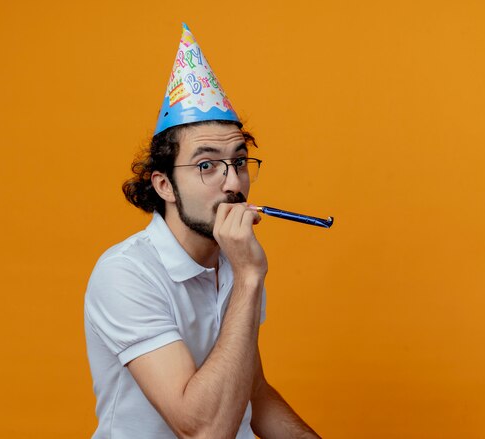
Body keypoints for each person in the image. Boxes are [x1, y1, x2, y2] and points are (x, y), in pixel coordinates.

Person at [84, 24, 321, 439]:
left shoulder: (233, 260)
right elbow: (205, 430)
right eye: (207, 165)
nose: (233, 183)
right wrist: (249, 278)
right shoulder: (125, 274)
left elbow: (254, 393)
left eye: (240, 162)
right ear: (163, 185)